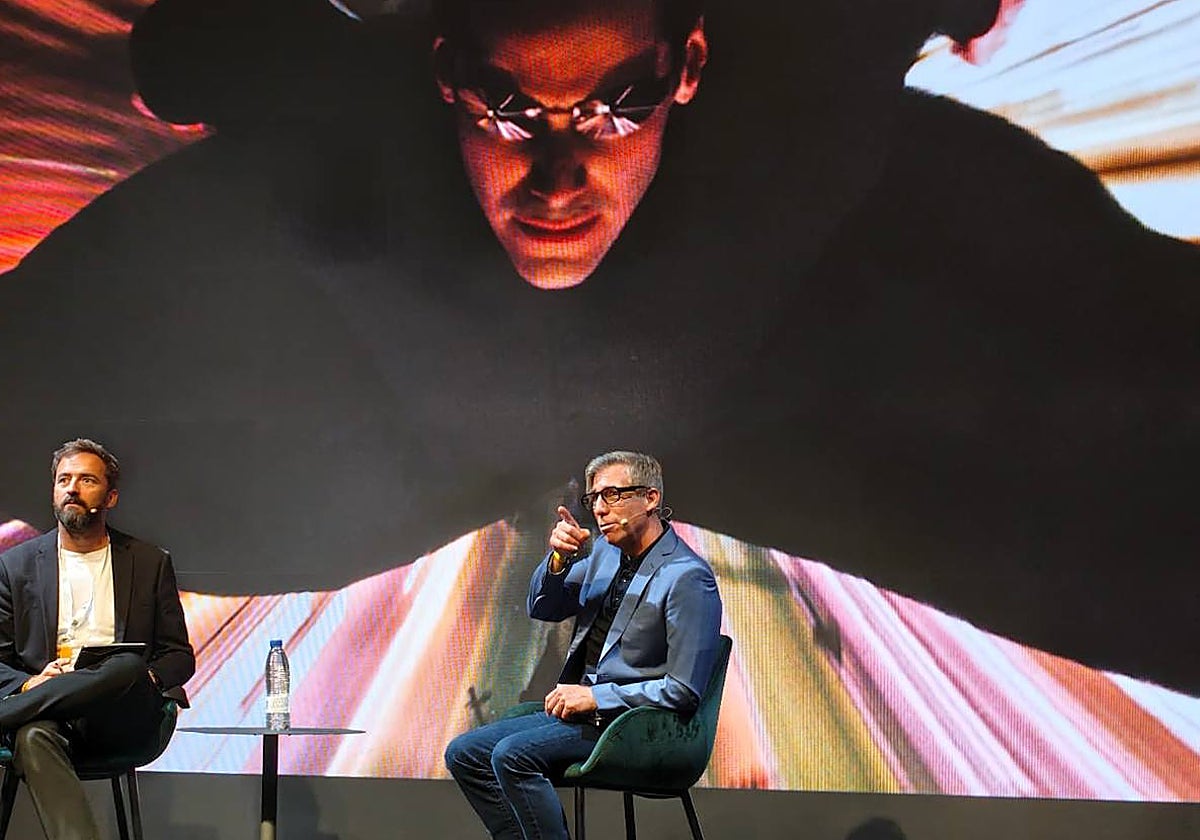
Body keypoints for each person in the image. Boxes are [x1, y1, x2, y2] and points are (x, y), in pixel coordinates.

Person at [1, 0, 1198, 696]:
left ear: (687, 69)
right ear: (447, 82)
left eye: (618, 104)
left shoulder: (816, 151)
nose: (561, 176)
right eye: (512, 110)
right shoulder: (346, 142)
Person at [445, 450, 722, 839]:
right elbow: (543, 607)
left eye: (613, 495)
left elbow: (682, 691)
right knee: (465, 754)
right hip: (584, 717)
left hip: (637, 726)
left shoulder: (687, 577)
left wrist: (596, 698)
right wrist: (558, 559)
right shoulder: (605, 555)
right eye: (594, 499)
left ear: (651, 499)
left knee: (513, 756)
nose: (601, 510)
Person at [0, 439, 195, 840]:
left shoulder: (148, 561)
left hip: (121, 714)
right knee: (31, 736)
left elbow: (178, 655)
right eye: (63, 480)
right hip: (46, 715)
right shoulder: (15, 566)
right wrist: (30, 683)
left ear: (111, 496)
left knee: (126, 665)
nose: (71, 488)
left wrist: (145, 680)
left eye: (86, 480)